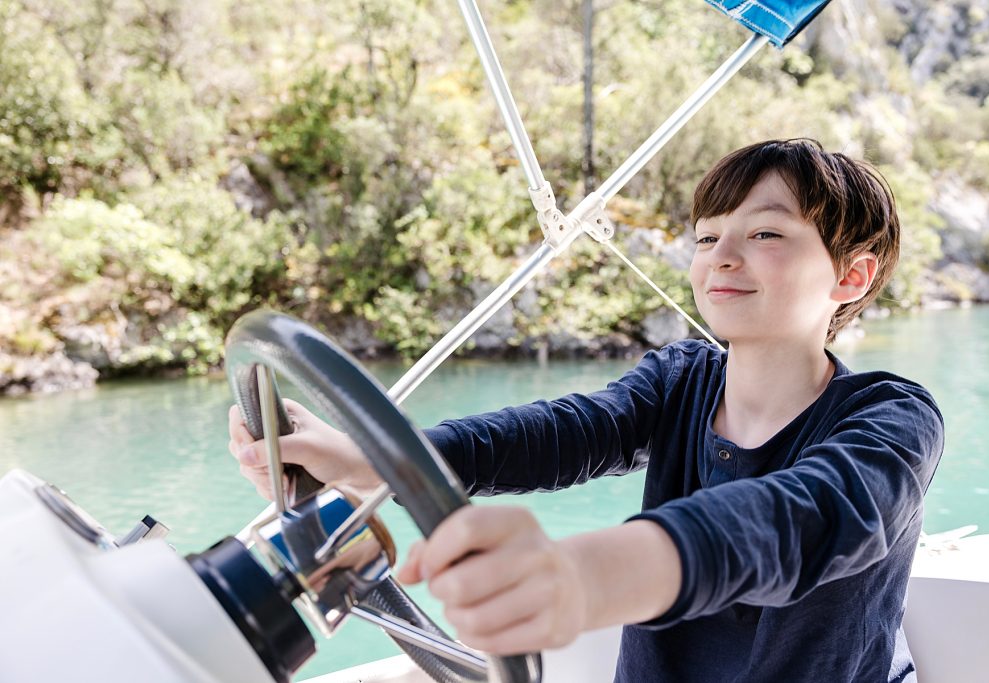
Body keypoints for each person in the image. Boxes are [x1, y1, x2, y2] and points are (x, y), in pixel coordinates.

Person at [229, 139, 943, 682]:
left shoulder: (893, 421)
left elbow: (795, 519)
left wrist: (586, 578)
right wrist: (362, 455)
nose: (720, 256)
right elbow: (555, 436)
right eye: (704, 235)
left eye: (764, 233)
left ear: (851, 275)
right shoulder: (679, 380)